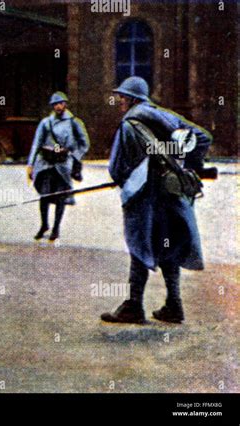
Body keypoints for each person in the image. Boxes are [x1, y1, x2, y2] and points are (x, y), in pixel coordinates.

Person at [101, 76, 212, 324]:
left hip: (145, 199)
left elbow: (116, 167)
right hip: (172, 196)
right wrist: (187, 167)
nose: (119, 100)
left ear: (131, 98)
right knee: (168, 245)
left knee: (139, 245)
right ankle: (174, 305)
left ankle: (133, 306)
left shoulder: (129, 123)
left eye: (122, 96)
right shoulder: (168, 116)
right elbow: (203, 138)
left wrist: (129, 181)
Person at [26, 91, 90, 241]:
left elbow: (84, 144)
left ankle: (56, 228)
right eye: (55, 104)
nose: (58, 106)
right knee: (44, 195)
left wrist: (73, 156)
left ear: (65, 104)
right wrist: (30, 164)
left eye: (60, 103)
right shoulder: (45, 123)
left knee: (61, 197)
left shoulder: (74, 122)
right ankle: (44, 225)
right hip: (46, 163)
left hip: (63, 164)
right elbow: (37, 143)